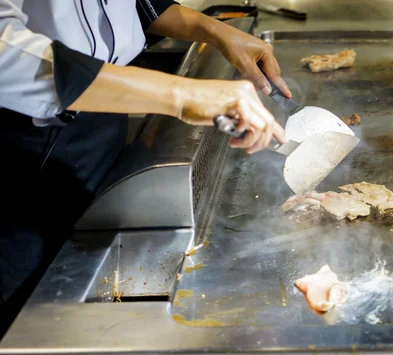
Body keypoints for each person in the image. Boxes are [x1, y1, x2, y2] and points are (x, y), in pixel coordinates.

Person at [0, 0, 291, 333]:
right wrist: (181, 95)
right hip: (21, 143)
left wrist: (214, 31)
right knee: (26, 316)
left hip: (102, 108)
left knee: (74, 275)